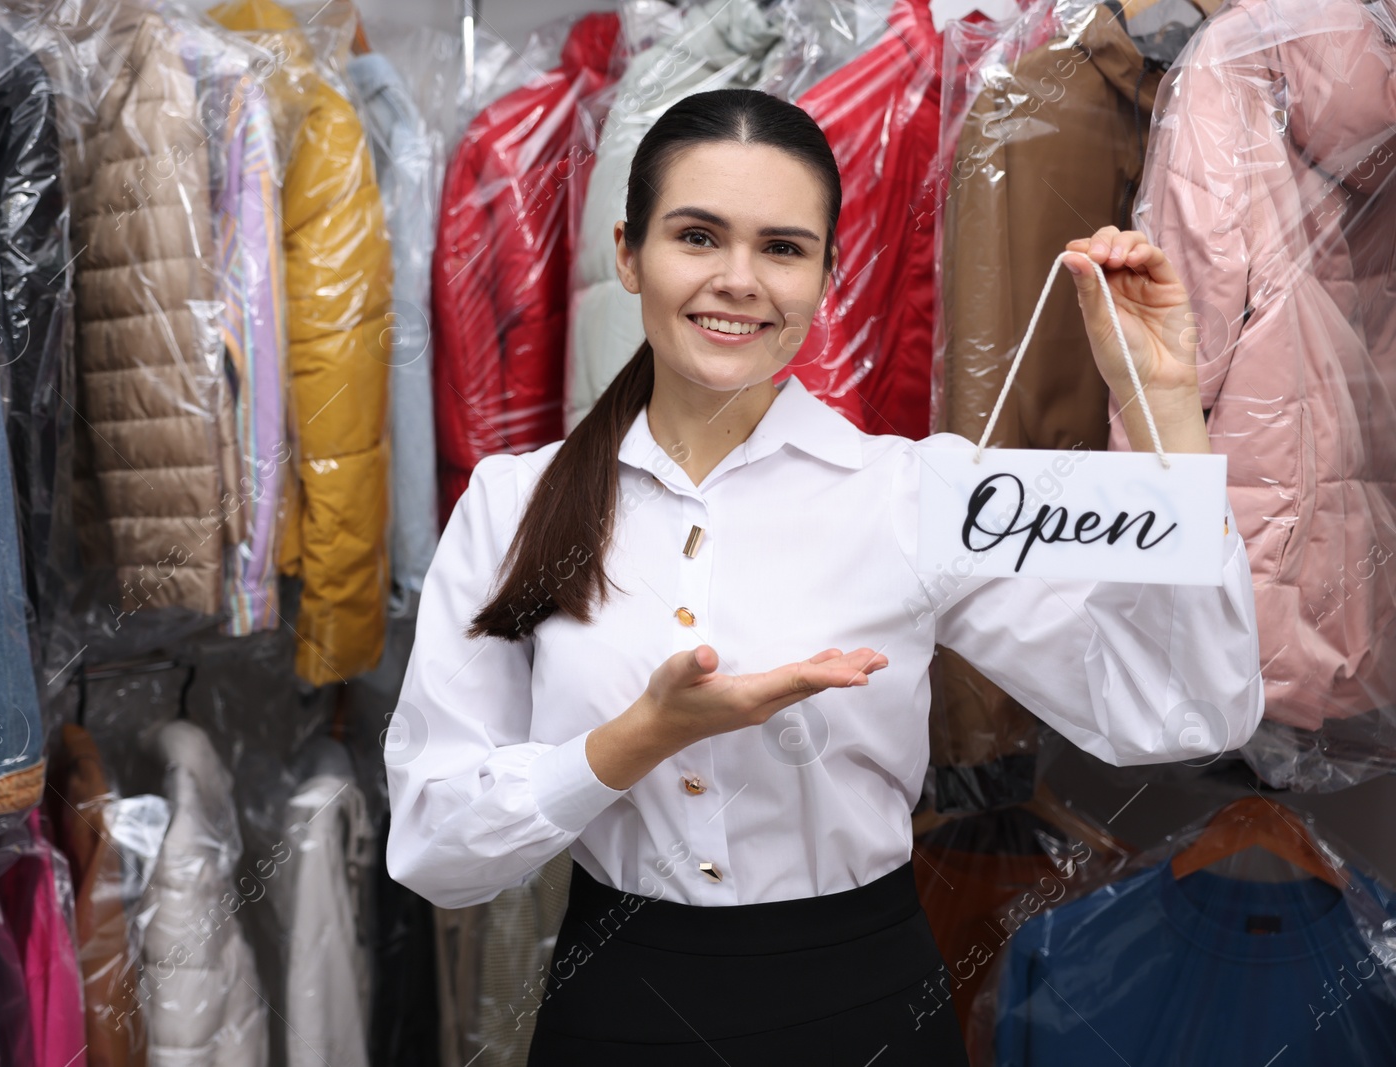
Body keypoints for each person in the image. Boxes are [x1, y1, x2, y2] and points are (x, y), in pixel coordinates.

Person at [385, 88, 1263, 1064]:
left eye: (782, 247)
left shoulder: (916, 492)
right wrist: (635, 739)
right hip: (615, 1009)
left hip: (867, 1013)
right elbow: (436, 850)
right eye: (697, 236)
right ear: (628, 254)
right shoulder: (512, 505)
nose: (737, 279)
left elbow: (1186, 710)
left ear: (828, 273)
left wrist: (1168, 405)